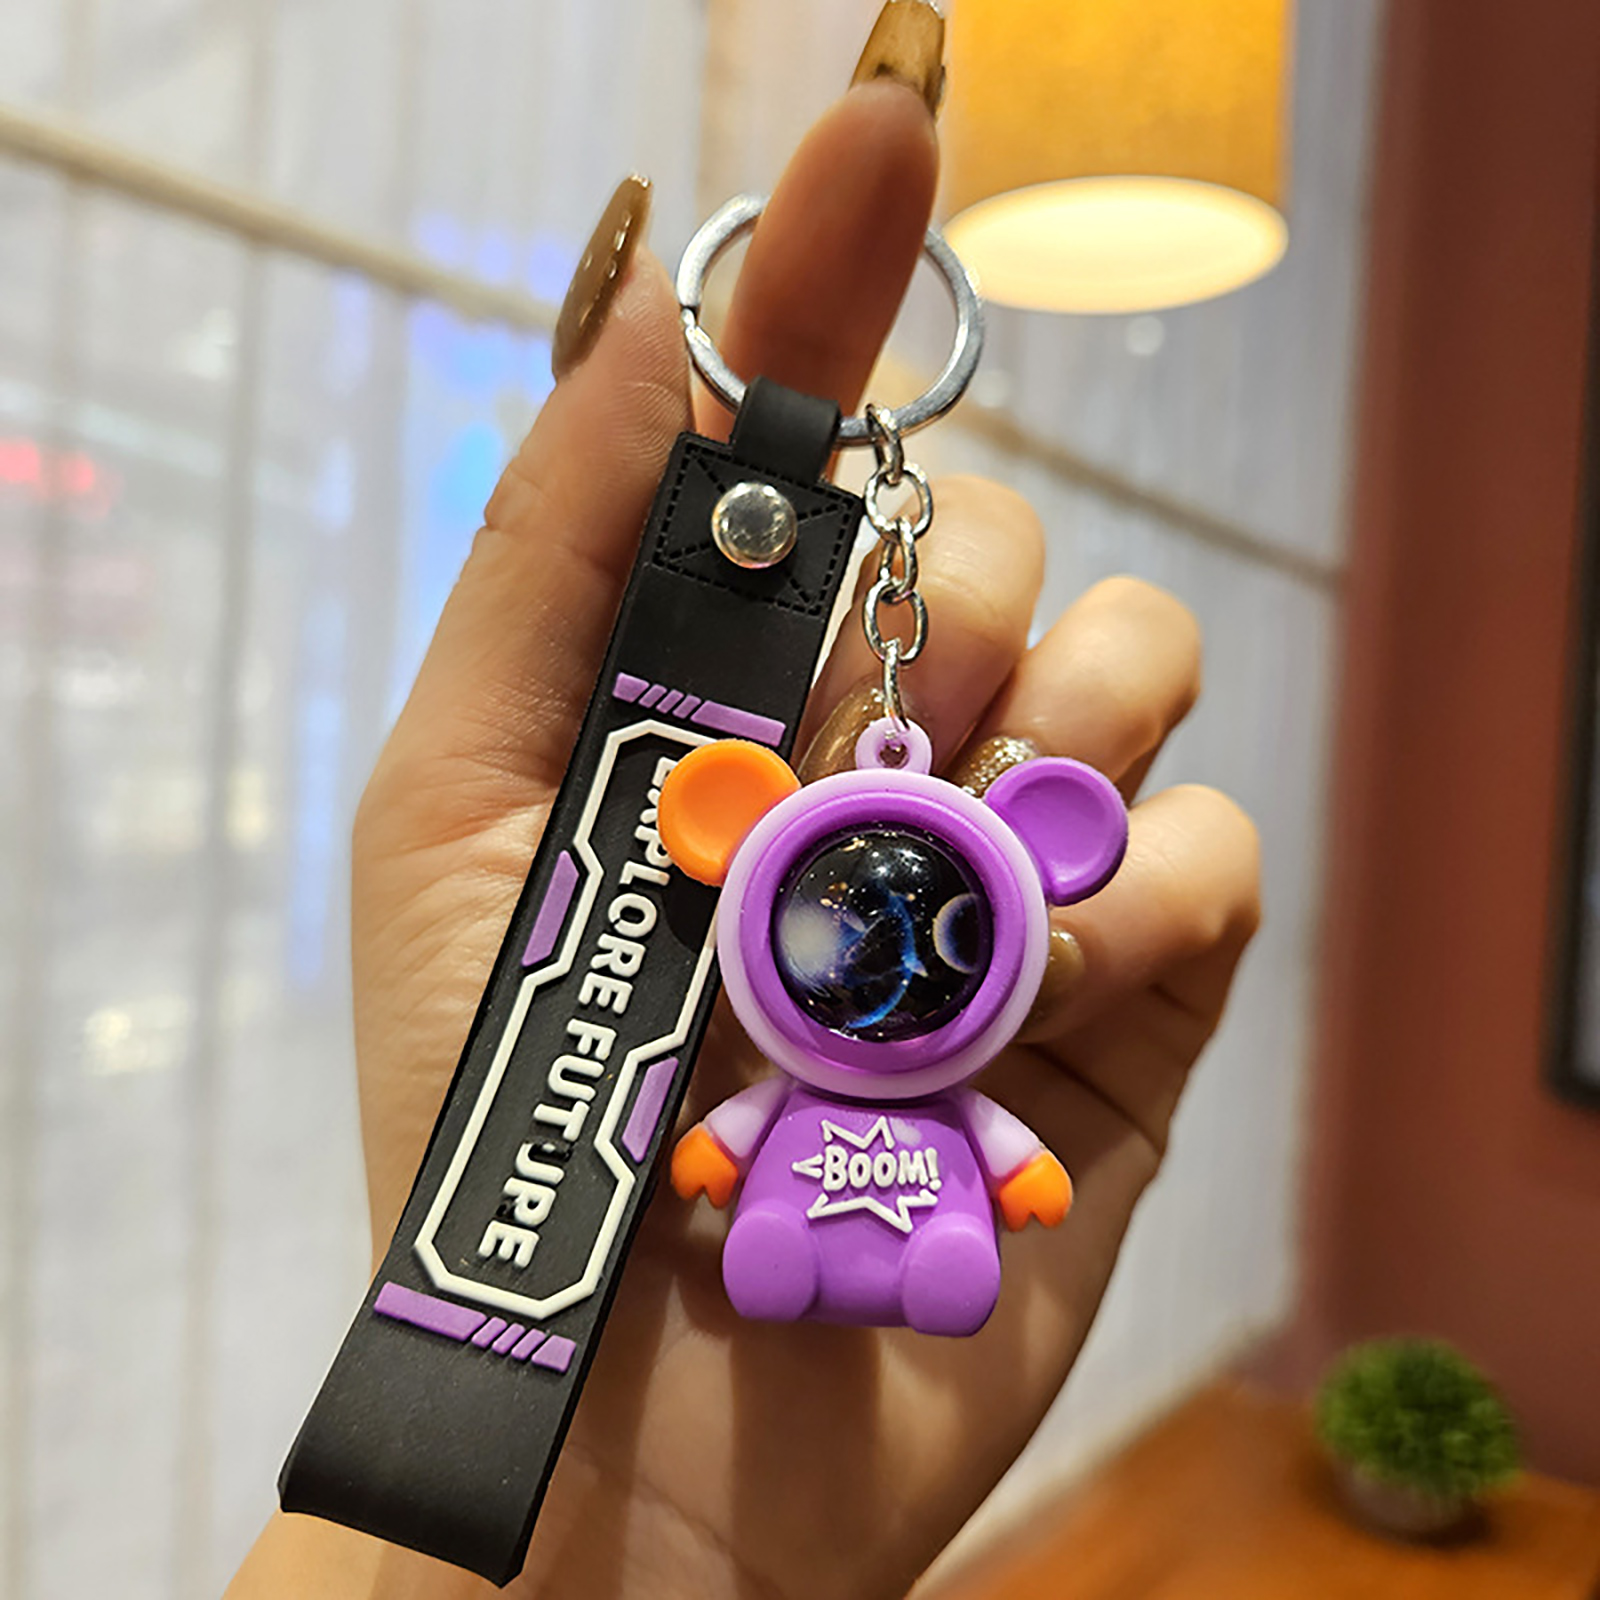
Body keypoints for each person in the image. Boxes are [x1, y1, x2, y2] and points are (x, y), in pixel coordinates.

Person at [225, 4, 1259, 1595]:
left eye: (945, 940)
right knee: (778, 1239)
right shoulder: (738, 995)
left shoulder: (928, 1059)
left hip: (899, 1244)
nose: (893, 958)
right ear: (726, 839)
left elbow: (976, 1152)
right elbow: (721, 1149)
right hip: (689, 1270)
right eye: (851, 930)